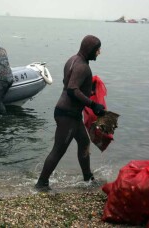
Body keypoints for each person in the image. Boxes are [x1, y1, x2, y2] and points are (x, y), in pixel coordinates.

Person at [35, 35, 106, 191]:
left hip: (69, 113)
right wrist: (93, 104)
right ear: (90, 49)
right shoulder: (83, 67)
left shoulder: (72, 60)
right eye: (97, 49)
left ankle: (88, 178)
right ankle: (41, 183)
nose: (99, 52)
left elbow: (68, 83)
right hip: (67, 114)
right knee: (59, 150)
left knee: (84, 142)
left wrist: (89, 89)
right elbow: (72, 89)